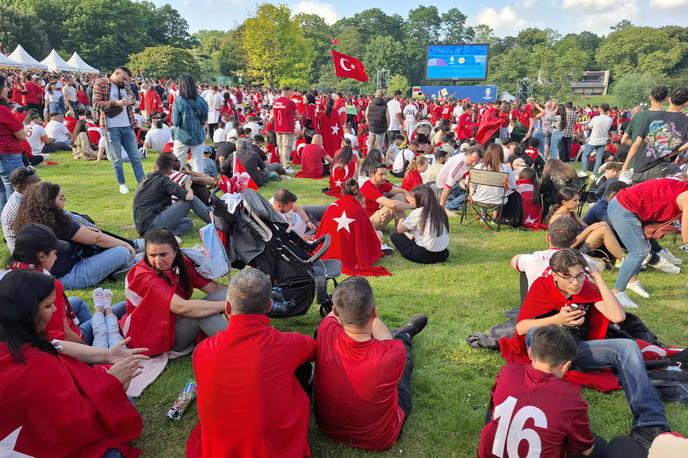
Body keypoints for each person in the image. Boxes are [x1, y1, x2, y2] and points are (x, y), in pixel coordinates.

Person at [501, 249, 670, 449]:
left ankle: (651, 422)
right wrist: (557, 320)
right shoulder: (543, 286)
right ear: (555, 275)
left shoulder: (587, 288)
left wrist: (597, 277)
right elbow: (521, 327)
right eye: (568, 277)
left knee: (628, 347)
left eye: (580, 275)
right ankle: (540, 392)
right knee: (533, 334)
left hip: (577, 349)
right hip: (549, 349)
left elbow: (618, 317)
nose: (575, 283)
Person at [0, 269, 146, 458]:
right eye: (48, 306)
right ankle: (105, 311)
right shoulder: (36, 367)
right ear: (26, 312)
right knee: (115, 436)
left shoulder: (14, 338)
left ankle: (104, 311)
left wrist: (108, 355)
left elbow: (57, 344)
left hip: (31, 435)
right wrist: (111, 383)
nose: (53, 310)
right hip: (50, 446)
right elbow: (72, 426)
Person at [186, 268, 315, 458]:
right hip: (271, 447)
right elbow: (313, 349)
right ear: (269, 306)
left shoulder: (202, 350)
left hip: (220, 446)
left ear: (227, 308)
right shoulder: (287, 344)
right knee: (302, 368)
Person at [314, 276, 428, 451]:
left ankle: (401, 333)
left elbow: (334, 313)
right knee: (403, 364)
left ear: (335, 311)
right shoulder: (391, 353)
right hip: (379, 439)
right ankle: (404, 335)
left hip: (328, 428)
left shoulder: (325, 329)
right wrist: (373, 318)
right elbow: (387, 342)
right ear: (375, 313)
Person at [480, 325, 604, 458]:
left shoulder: (508, 371)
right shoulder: (570, 397)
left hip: (488, 453)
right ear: (566, 365)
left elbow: (493, 408)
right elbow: (586, 450)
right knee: (608, 445)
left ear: (530, 352)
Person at [120, 229, 228, 356]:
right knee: (202, 313)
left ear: (175, 251)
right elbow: (181, 307)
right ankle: (242, 344)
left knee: (231, 295)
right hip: (155, 337)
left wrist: (247, 295)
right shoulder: (143, 276)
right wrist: (228, 305)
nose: (158, 260)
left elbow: (213, 288)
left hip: (175, 322)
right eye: (152, 255)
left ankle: (248, 335)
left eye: (163, 254)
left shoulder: (181, 262)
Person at [12, 182, 136, 290]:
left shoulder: (28, 220)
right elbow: (97, 239)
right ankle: (125, 264)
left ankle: (122, 266)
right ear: (49, 203)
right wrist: (126, 245)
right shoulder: (56, 222)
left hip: (44, 276)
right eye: (61, 198)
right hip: (68, 276)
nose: (64, 202)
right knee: (122, 252)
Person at [608, 174, 688, 308]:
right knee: (639, 251)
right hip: (622, 208)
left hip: (628, 206)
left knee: (642, 249)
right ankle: (617, 293)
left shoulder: (683, 187)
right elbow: (686, 238)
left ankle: (632, 281)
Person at [92, 66, 145, 194]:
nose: (125, 82)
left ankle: (142, 183)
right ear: (116, 73)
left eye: (127, 80)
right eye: (123, 78)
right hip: (110, 126)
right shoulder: (101, 83)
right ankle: (122, 183)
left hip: (127, 125)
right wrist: (116, 103)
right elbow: (96, 104)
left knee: (135, 157)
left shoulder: (125, 85)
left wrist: (130, 101)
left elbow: (133, 98)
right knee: (117, 158)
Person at [133, 152, 211, 236]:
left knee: (188, 223)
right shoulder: (164, 181)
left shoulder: (146, 177)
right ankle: (216, 223)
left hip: (142, 226)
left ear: (155, 166)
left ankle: (160, 235)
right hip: (153, 223)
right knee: (192, 200)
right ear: (170, 170)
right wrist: (188, 187)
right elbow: (189, 197)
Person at [622, 88, 688, 183]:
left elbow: (637, 144)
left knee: (636, 194)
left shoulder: (652, 116)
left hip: (640, 165)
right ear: (686, 104)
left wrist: (625, 166)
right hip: (660, 167)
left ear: (669, 99)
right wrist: (672, 152)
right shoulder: (685, 121)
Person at [511, 216, 581, 289]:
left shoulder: (533, 258)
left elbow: (514, 260)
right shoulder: (584, 261)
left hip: (539, 298)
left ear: (548, 237)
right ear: (574, 241)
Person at [391, 184, 449, 264]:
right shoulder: (440, 209)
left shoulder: (419, 211)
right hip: (443, 254)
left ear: (419, 198)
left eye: (413, 197)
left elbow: (400, 230)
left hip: (423, 255)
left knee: (394, 233)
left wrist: (401, 220)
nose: (411, 200)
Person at [471, 144, 521, 225]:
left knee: (484, 189)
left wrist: (471, 193)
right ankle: (495, 217)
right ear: (501, 154)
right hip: (498, 201)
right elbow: (512, 187)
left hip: (478, 199)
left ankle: (483, 216)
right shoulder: (506, 169)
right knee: (503, 192)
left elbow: (472, 185)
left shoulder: (478, 167)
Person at [0, 74, 27, 211]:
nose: (8, 90)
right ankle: (13, 221)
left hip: (4, 154)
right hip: (8, 154)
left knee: (2, 191)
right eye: (5, 86)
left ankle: (4, 221)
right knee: (15, 190)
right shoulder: (3, 111)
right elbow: (21, 135)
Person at [360, 163, 414, 231]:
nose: (384, 177)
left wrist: (412, 200)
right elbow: (392, 205)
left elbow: (402, 191)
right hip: (368, 223)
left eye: (385, 174)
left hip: (376, 216)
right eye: (381, 174)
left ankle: (403, 229)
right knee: (392, 206)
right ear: (372, 175)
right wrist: (412, 206)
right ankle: (404, 229)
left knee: (400, 196)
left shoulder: (382, 184)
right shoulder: (368, 187)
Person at [172, 74, 208, 173]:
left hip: (182, 136)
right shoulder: (201, 100)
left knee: (176, 163)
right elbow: (204, 119)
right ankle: (199, 187)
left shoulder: (178, 101)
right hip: (198, 135)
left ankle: (175, 184)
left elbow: (175, 122)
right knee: (198, 163)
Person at [1, 166, 40, 252]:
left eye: (39, 181)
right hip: (27, 252)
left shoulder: (30, 196)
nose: (40, 186)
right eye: (35, 183)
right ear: (20, 187)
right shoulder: (18, 209)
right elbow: (33, 236)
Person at [437, 145, 484, 211]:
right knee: (467, 197)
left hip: (456, 184)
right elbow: (447, 187)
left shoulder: (467, 159)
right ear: (468, 154)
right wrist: (441, 207)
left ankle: (453, 203)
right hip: (443, 186)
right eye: (472, 160)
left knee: (471, 194)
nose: (473, 164)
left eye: (476, 162)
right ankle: (448, 206)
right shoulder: (459, 164)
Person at [582, 103, 613, 174]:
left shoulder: (595, 118)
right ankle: (593, 174)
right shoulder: (610, 119)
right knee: (598, 159)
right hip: (602, 140)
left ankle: (584, 171)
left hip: (594, 140)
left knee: (585, 155)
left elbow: (589, 127)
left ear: (601, 109)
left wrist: (586, 126)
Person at [273, 86, 297, 173]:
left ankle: (282, 163)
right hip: (288, 128)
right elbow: (296, 115)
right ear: (287, 92)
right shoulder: (290, 102)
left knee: (280, 146)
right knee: (286, 147)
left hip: (278, 127)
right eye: (290, 92)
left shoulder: (275, 102)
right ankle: (285, 165)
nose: (291, 94)